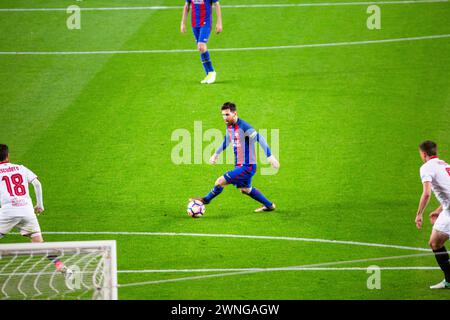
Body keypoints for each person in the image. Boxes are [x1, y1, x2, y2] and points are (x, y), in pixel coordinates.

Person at [190, 102, 280, 213]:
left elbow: (259, 138)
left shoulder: (244, 127)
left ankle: (205, 200)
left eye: (227, 114)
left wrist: (270, 156)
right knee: (246, 189)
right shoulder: (229, 125)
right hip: (240, 164)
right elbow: (227, 139)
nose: (225, 118)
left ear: (235, 113)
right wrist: (216, 154)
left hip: (247, 166)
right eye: (223, 115)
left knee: (219, 181)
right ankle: (269, 205)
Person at [0, 144, 69, 275]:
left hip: (8, 211)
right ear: (8, 155)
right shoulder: (21, 168)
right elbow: (37, 183)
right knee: (39, 243)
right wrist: (39, 205)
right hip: (27, 211)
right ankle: (61, 266)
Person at [415, 140, 450, 289]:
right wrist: (439, 210)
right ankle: (449, 280)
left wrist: (419, 214)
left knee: (435, 243)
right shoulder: (445, 165)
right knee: (435, 243)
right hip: (447, 209)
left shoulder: (426, 168)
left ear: (423, 154)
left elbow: (426, 194)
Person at [180, 0, 222, 84]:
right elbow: (187, 6)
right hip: (195, 24)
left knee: (201, 46)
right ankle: (208, 74)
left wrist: (219, 23)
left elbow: (217, 4)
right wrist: (183, 23)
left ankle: (211, 72)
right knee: (200, 48)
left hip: (205, 23)